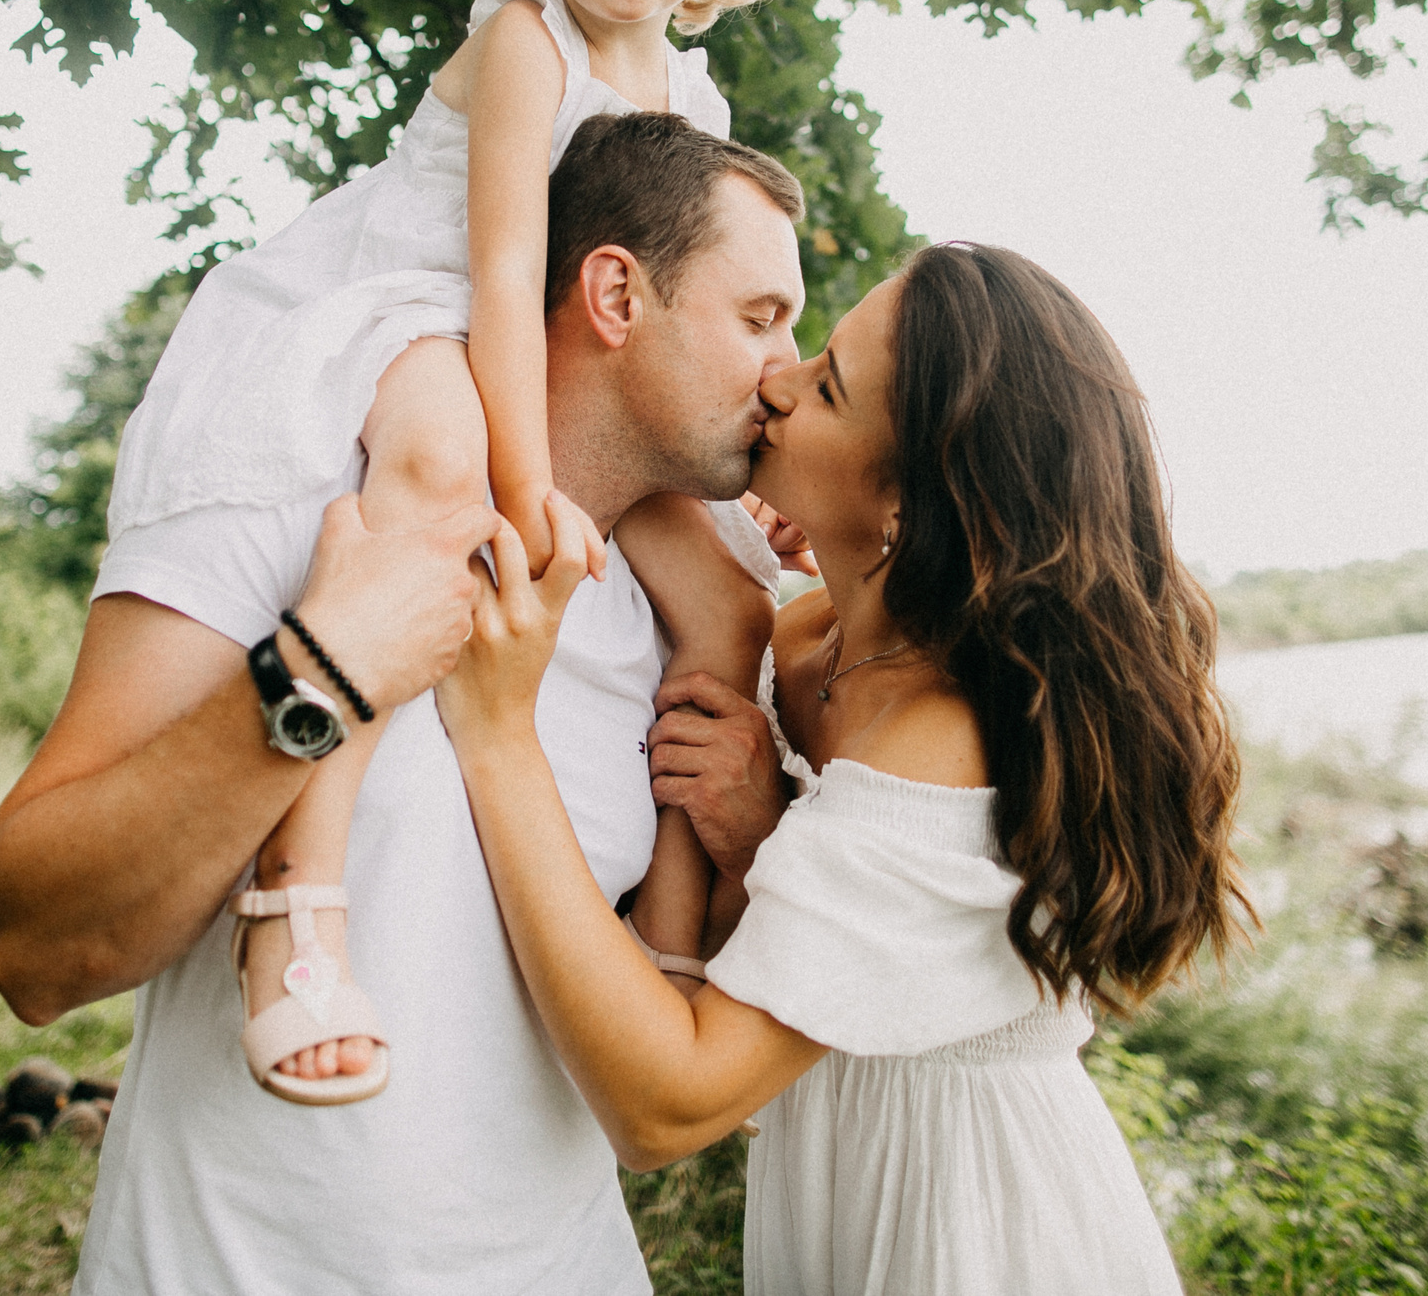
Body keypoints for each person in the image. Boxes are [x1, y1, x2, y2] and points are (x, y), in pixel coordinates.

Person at [0, 112, 808, 1294]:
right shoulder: (300, 498)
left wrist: (745, 846)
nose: (784, 369)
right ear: (616, 295)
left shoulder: (689, 636)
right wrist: (316, 673)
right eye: (759, 318)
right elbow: (36, 949)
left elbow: (649, 1047)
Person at [97, 0, 795, 1101]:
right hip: (417, 303)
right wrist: (524, 481)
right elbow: (493, 264)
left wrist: (765, 447)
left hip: (544, 337)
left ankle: (663, 935)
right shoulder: (531, 39)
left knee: (732, 603)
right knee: (427, 472)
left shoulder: (693, 92)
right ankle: (298, 902)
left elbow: (705, 289)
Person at [437, 242, 1256, 1295]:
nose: (774, 383)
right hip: (838, 1188)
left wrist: (498, 733)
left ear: (908, 504)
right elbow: (618, 436)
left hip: (974, 1234)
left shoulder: (941, 748)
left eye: (824, 386)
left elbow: (667, 1108)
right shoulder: (804, 636)